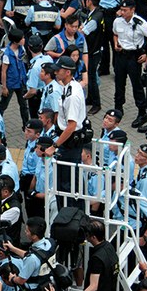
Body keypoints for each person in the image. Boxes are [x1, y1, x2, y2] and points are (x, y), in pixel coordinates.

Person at [44, 56, 86, 208]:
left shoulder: (73, 95)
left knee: (69, 185)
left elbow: (71, 126)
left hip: (69, 143)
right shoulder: (69, 87)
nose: (55, 73)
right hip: (66, 140)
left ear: (67, 72)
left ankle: (73, 217)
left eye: (58, 70)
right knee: (63, 183)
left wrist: (54, 146)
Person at [112, 0, 147, 123]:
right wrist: (115, 44)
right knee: (119, 83)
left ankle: (142, 113)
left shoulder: (140, 23)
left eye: (125, 10)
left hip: (134, 57)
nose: (122, 13)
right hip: (120, 56)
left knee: (137, 85)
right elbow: (115, 34)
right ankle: (118, 108)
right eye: (121, 10)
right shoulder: (118, 21)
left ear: (132, 10)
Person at [0, 28, 29, 128]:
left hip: (21, 82)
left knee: (23, 105)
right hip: (10, 83)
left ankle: (26, 125)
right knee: (3, 105)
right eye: (22, 38)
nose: (24, 40)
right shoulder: (7, 54)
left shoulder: (21, 49)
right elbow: (4, 71)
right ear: (16, 41)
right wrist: (4, 87)